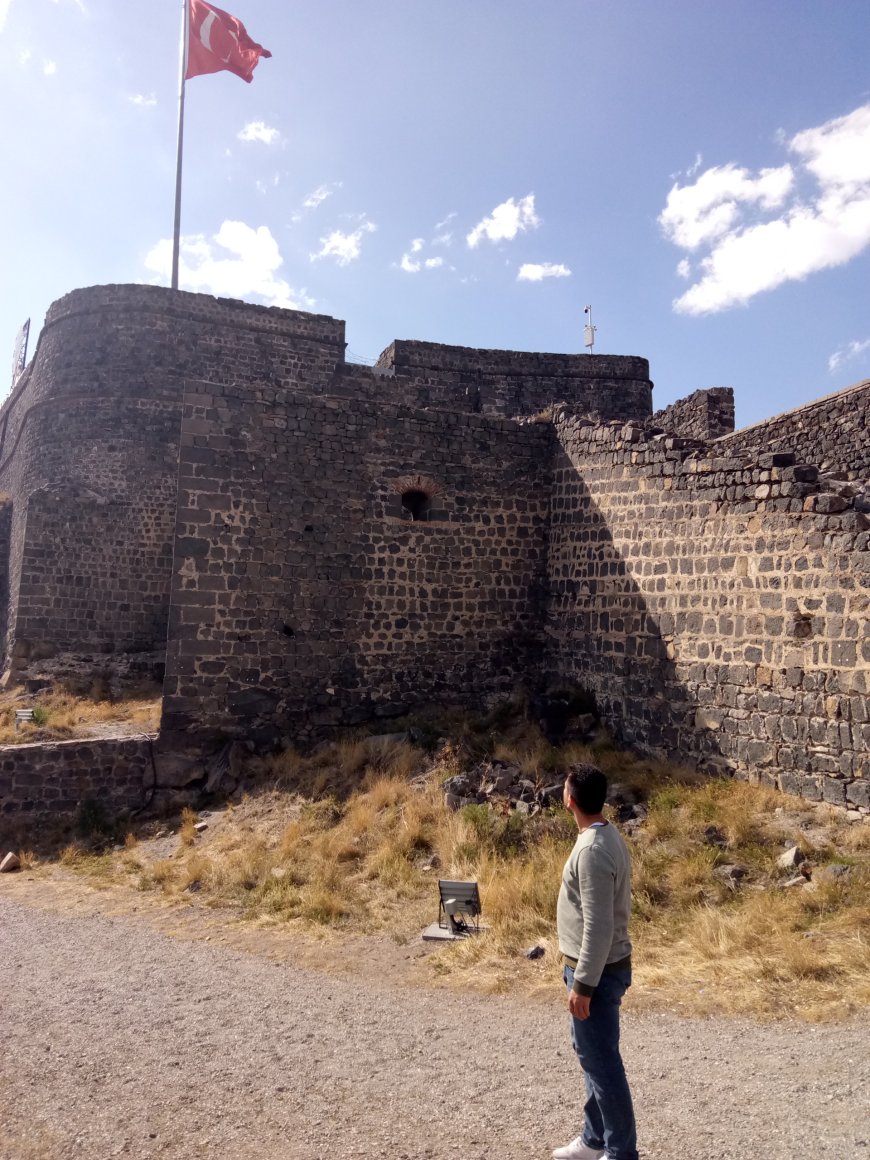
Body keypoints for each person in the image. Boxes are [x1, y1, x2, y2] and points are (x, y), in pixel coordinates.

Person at [553, 763, 638, 1160]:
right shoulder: (604, 837)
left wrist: (582, 985)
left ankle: (621, 1152)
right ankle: (594, 1140)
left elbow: (599, 927)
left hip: (596, 975)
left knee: (603, 1065)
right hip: (598, 970)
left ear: (570, 799)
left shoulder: (591, 850)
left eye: (564, 788)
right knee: (593, 1056)